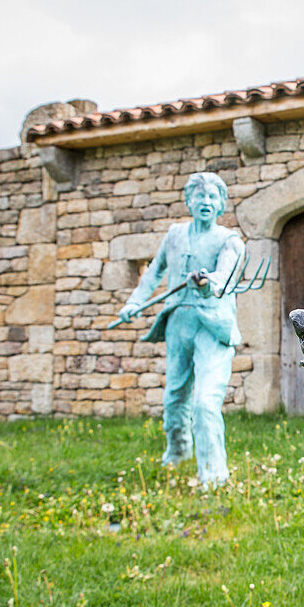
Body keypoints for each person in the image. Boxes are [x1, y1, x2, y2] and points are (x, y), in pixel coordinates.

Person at [118, 172, 244, 487]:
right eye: (199, 196)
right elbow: (153, 272)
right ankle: (177, 451)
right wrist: (134, 302)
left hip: (212, 326)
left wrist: (206, 283)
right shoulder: (175, 235)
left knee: (205, 401)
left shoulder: (230, 241)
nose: (205, 202)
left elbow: (224, 277)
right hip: (178, 324)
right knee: (174, 398)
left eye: (212, 197)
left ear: (221, 206)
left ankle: (213, 474)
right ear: (188, 201)